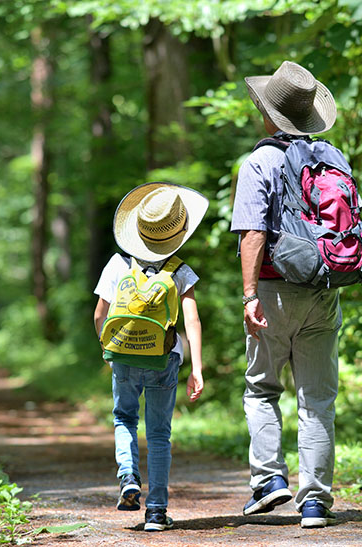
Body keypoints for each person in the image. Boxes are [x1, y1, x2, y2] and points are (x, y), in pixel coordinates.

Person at [231, 60, 343, 529]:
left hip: (275, 289)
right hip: (323, 288)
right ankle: (315, 501)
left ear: (267, 113)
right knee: (317, 397)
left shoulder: (259, 161)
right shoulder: (333, 158)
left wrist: (249, 294)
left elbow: (253, 234)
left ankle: (269, 481)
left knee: (261, 389)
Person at [93, 182, 207, 532]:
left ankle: (128, 477)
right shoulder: (180, 270)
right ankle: (156, 511)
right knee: (159, 434)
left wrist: (108, 349)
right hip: (164, 358)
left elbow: (100, 314)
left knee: (124, 418)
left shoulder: (117, 264)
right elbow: (192, 320)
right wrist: (197, 368)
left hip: (124, 356)